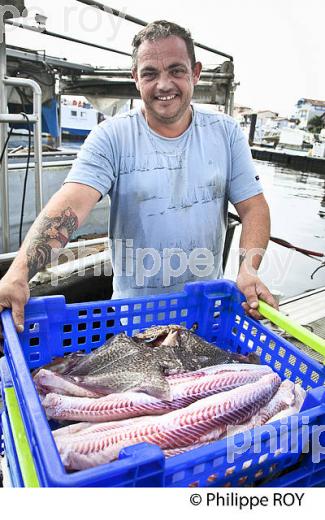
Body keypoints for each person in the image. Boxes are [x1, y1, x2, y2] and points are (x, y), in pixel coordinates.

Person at [0, 20, 276, 332]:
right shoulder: (111, 136)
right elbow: (70, 207)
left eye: (176, 70)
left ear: (195, 73)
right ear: (135, 78)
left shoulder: (226, 133)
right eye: (150, 73)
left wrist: (248, 268)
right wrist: (18, 274)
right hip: (135, 321)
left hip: (205, 315)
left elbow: (253, 206)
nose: (164, 84)